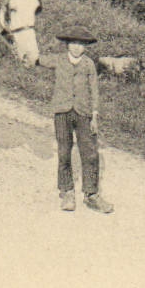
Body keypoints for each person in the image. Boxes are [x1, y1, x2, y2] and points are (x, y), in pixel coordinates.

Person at [35, 28, 113, 213]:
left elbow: (94, 90)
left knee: (90, 153)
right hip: (62, 112)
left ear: (85, 46)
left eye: (81, 44)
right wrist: (23, 50)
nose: (77, 48)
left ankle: (92, 194)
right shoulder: (58, 60)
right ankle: (67, 191)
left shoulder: (88, 65)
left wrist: (94, 114)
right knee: (64, 152)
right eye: (74, 43)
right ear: (67, 44)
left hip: (84, 113)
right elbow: (37, 59)